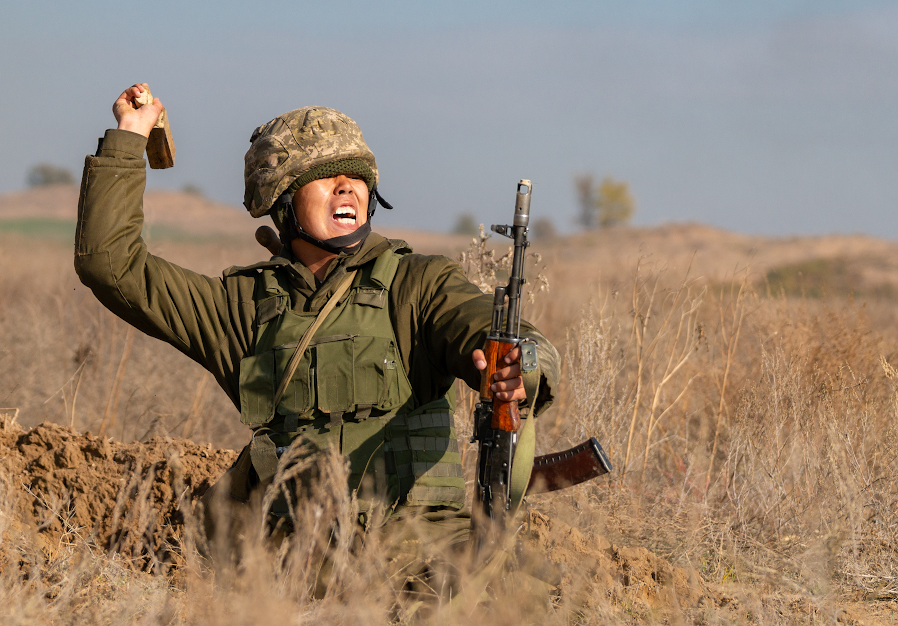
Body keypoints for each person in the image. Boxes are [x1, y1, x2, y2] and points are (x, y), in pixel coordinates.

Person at [74, 84, 561, 563]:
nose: (347, 186)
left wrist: (521, 370)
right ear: (283, 199)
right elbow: (111, 264)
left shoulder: (418, 283)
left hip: (418, 552)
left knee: (523, 586)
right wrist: (129, 138)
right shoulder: (240, 306)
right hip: (293, 557)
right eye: (325, 177)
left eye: (356, 177)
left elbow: (498, 335)